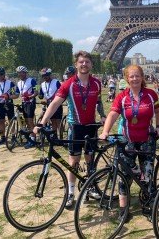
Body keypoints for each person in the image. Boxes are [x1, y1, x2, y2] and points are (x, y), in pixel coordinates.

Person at [33, 51, 106, 208]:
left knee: (89, 160)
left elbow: (99, 102)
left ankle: (90, 186)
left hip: (91, 126)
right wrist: (42, 122)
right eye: (81, 62)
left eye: (87, 61)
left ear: (91, 64)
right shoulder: (68, 84)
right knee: (73, 162)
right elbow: (55, 103)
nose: (84, 64)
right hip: (75, 126)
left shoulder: (97, 83)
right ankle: (71, 192)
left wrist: (103, 115)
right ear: (76, 65)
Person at [99, 64, 159, 220]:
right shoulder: (122, 97)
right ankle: (123, 208)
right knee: (124, 176)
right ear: (127, 78)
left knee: (146, 174)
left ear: (142, 77)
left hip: (147, 139)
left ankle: (146, 205)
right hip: (127, 141)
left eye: (137, 75)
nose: (134, 78)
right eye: (131, 76)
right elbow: (113, 114)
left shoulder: (151, 95)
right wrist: (105, 131)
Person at [0, 67, 18, 145]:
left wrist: (8, 97)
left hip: (8, 104)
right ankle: (3, 138)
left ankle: (13, 136)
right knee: (1, 121)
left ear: (4, 74)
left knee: (10, 120)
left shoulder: (10, 83)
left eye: (1, 74)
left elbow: (15, 95)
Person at [15, 66, 38, 148]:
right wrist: (9, 96)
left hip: (31, 102)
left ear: (25, 73)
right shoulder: (18, 82)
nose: (20, 74)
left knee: (30, 121)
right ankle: (31, 137)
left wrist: (30, 96)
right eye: (19, 73)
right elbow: (17, 94)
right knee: (26, 121)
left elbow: (36, 92)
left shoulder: (32, 80)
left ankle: (33, 140)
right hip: (24, 103)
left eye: (22, 72)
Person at [38, 68, 62, 136]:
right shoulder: (42, 84)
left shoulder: (56, 82)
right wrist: (41, 97)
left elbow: (61, 93)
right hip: (49, 105)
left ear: (49, 75)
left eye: (46, 75)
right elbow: (41, 95)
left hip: (57, 105)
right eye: (43, 76)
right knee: (53, 122)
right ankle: (55, 137)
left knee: (59, 122)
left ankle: (61, 138)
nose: (44, 77)